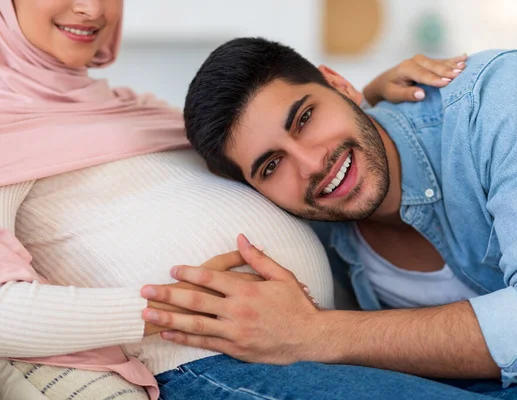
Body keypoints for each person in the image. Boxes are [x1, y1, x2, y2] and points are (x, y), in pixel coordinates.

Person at [0, 1, 473, 399]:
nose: (92, 9)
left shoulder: (129, 105)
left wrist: (361, 102)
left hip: (313, 337)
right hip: (211, 362)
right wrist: (174, 310)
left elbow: (258, 150)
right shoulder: (8, 128)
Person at [147, 37, 517, 399]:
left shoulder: (497, 94)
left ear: (341, 85)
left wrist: (312, 333)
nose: (310, 164)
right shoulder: (305, 228)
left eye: (305, 118)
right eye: (271, 166)